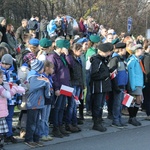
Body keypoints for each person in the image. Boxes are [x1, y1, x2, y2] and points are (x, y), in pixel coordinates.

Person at [46, 38, 73, 138]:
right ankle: (56, 128)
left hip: (65, 85)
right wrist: (56, 87)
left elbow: (71, 65)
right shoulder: (52, 57)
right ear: (61, 47)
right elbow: (53, 74)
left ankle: (60, 126)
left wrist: (67, 55)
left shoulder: (62, 56)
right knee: (57, 108)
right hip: (59, 86)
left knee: (62, 107)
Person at [24, 59, 50, 148]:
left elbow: (47, 89)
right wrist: (45, 82)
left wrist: (46, 83)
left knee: (37, 122)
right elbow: (33, 87)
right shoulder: (33, 77)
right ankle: (29, 139)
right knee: (31, 123)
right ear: (38, 68)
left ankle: (36, 139)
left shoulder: (39, 77)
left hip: (39, 103)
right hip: (33, 103)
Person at [0, 54, 24, 143]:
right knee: (2, 118)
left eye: (7, 64)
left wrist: (16, 86)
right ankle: (2, 135)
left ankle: (9, 134)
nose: (5, 65)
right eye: (3, 63)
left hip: (11, 99)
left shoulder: (13, 72)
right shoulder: (0, 72)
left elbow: (18, 83)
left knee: (9, 117)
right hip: (2, 99)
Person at [90, 42, 113, 132]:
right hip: (98, 87)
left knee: (101, 105)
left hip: (103, 86)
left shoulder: (104, 60)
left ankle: (99, 121)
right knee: (97, 105)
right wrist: (106, 74)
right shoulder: (97, 61)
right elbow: (94, 75)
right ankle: (96, 123)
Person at [109, 42, 128, 128]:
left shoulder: (121, 59)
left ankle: (119, 119)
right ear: (121, 49)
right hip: (118, 85)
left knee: (120, 103)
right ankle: (115, 120)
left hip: (122, 84)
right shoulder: (115, 59)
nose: (126, 51)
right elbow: (113, 74)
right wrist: (115, 86)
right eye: (124, 49)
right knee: (117, 103)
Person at [65, 43, 83, 132]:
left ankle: (74, 122)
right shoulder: (71, 58)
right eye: (80, 51)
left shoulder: (78, 59)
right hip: (72, 83)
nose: (82, 52)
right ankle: (69, 123)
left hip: (77, 83)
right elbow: (70, 67)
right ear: (74, 51)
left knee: (75, 104)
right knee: (71, 104)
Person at [127, 44, 144, 126]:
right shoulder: (132, 60)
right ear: (137, 50)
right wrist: (132, 85)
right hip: (135, 83)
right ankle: (132, 117)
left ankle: (133, 117)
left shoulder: (138, 60)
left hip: (139, 83)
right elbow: (131, 74)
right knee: (133, 100)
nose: (142, 50)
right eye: (141, 49)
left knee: (138, 100)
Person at [39, 60, 54, 141]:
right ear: (47, 68)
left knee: (46, 118)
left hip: (49, 99)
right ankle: (42, 134)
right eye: (52, 68)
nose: (53, 70)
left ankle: (46, 133)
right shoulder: (43, 77)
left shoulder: (50, 77)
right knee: (43, 118)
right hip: (44, 100)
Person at [85, 34, 100, 116]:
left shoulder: (95, 50)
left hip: (92, 72)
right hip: (89, 72)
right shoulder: (91, 51)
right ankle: (88, 108)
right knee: (89, 92)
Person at [142, 42, 150, 120]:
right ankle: (148, 113)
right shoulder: (147, 57)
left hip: (147, 80)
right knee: (147, 97)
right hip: (147, 80)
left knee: (147, 97)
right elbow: (147, 70)